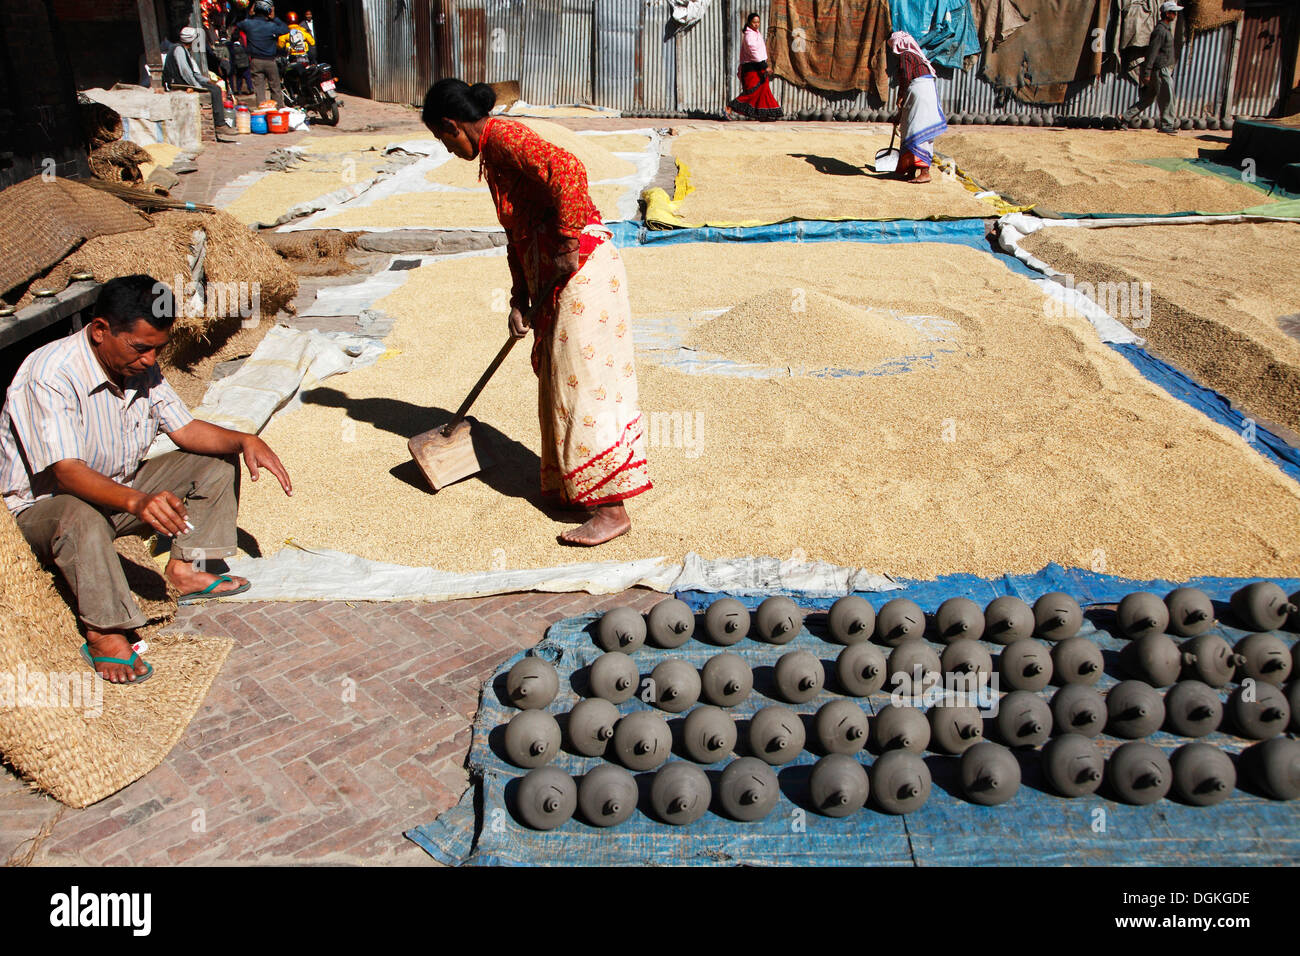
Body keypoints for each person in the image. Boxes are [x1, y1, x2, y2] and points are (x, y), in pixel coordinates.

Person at [0, 277, 293, 685]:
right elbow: (66, 472)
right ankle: (104, 632)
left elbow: (186, 429)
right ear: (101, 330)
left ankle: (186, 569)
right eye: (141, 348)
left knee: (215, 461)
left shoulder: (139, 365)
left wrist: (244, 438)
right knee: (78, 517)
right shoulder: (50, 375)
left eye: (160, 348)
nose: (151, 360)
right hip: (45, 508)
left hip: (116, 489)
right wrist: (137, 501)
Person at [421, 80, 652, 546]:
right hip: (555, 274)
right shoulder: (492, 156)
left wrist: (567, 240)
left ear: (452, 125)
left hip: (582, 269)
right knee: (557, 382)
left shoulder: (503, 137)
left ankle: (611, 510)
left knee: (583, 384)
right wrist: (519, 300)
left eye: (442, 139)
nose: (447, 149)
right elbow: (519, 234)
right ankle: (573, 487)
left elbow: (568, 169)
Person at [889, 31, 947, 184]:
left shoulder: (906, 55)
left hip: (919, 92)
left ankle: (925, 172)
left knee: (916, 129)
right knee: (910, 128)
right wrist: (900, 114)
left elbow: (906, 77)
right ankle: (911, 169)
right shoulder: (917, 56)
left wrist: (900, 95)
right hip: (923, 93)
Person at [1124, 1, 1181, 134]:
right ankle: (1167, 124)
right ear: (1167, 14)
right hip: (1160, 69)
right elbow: (1152, 52)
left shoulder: (1165, 29)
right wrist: (1147, 72)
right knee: (1167, 97)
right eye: (1173, 12)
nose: (1175, 14)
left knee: (1149, 98)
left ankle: (1124, 117)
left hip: (1161, 69)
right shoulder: (1160, 31)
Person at [163, 26, 232, 133]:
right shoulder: (179, 50)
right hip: (179, 82)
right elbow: (186, 72)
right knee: (215, 91)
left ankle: (219, 121)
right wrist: (197, 86)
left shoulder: (183, 50)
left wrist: (205, 80)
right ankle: (219, 123)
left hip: (187, 80)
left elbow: (193, 73)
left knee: (215, 87)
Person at [727, 12, 783, 121]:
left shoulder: (756, 33)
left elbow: (761, 51)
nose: (757, 24)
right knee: (752, 92)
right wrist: (765, 66)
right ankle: (729, 108)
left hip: (759, 67)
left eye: (758, 22)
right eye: (754, 22)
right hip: (751, 69)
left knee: (764, 90)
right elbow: (754, 52)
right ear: (749, 22)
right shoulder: (749, 35)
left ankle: (763, 114)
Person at [238, 0, 289, 108]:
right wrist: (274, 17)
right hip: (270, 61)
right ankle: (278, 111)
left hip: (255, 61)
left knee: (259, 89)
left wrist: (249, 14)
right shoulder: (272, 26)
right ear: (268, 11)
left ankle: (262, 111)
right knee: (275, 88)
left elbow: (239, 24)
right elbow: (285, 29)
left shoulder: (248, 24)